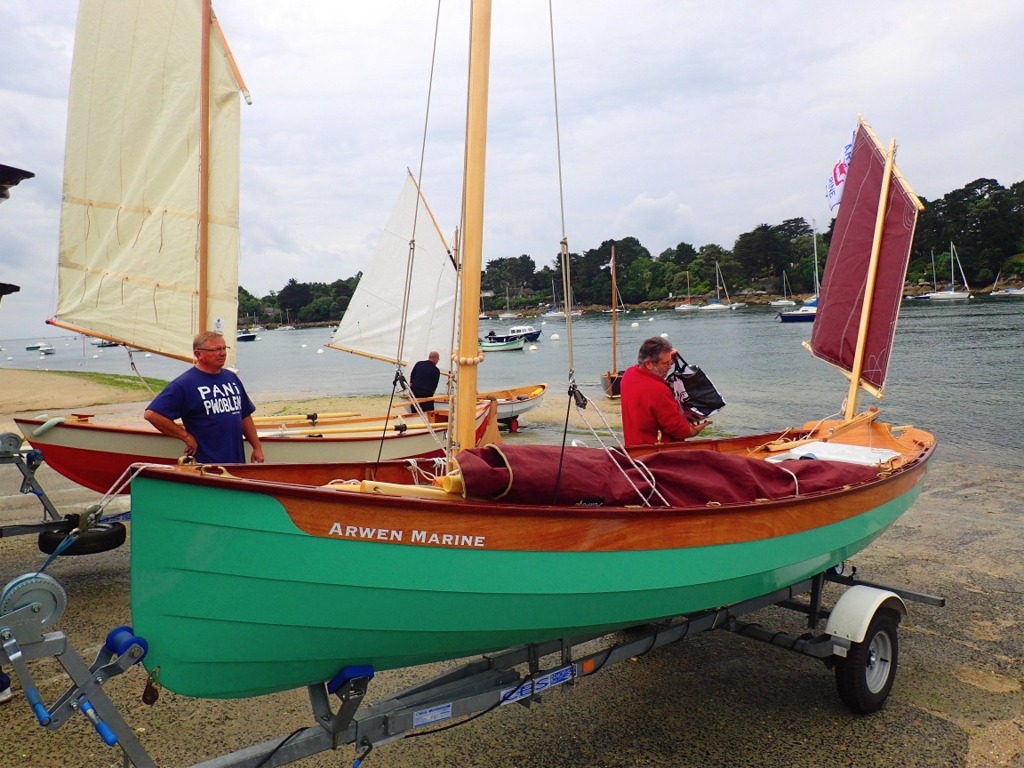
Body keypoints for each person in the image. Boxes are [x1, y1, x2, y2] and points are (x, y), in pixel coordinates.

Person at [144, 331, 265, 464]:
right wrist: (186, 436)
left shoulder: (231, 378)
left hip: (236, 462)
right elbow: (152, 414)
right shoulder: (185, 384)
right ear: (198, 354)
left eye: (224, 348)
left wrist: (257, 447)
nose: (223, 353)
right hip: (206, 465)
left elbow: (244, 414)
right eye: (216, 350)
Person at [620, 336, 710, 447]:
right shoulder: (658, 390)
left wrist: (670, 357)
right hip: (657, 453)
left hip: (633, 447)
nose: (669, 367)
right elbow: (676, 428)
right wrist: (693, 431)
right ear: (649, 364)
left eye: (670, 362)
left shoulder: (629, 374)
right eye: (666, 363)